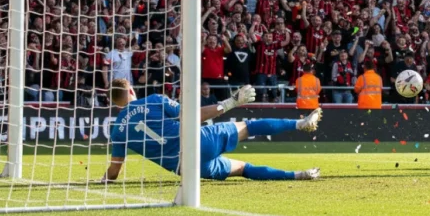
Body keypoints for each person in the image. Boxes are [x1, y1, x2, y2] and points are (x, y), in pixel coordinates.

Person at [102, 78, 321, 183]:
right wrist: (229, 103)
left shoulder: (118, 130)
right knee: (250, 126)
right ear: (131, 90)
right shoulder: (153, 100)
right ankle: (300, 124)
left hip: (187, 168)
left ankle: (298, 175)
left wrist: (104, 179)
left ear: (115, 102)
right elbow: (191, 116)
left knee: (243, 169)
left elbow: (114, 171)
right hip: (199, 141)